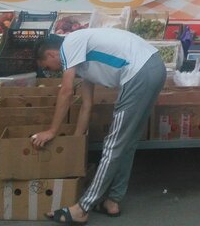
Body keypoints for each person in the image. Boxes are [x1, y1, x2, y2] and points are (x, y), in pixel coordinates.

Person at [33, 28, 166, 223]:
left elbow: (66, 91)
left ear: (52, 54)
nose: (51, 72)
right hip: (154, 67)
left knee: (113, 145)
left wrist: (52, 131)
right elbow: (87, 105)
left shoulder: (69, 44)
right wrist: (75, 141)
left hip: (139, 72)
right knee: (127, 143)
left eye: (47, 67)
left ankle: (82, 208)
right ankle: (113, 201)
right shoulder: (82, 61)